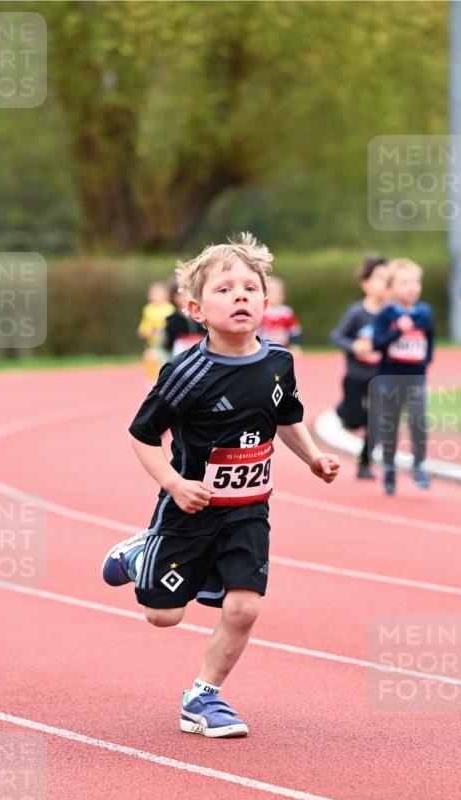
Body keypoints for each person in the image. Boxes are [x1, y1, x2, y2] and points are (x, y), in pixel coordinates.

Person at [101, 233, 340, 738]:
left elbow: (286, 417)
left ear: (266, 303)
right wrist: (173, 483)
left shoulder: (278, 362)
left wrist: (313, 457)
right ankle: (141, 554)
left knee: (244, 606)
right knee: (163, 616)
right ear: (196, 310)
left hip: (249, 509)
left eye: (250, 288)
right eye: (225, 289)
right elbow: (142, 435)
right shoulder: (186, 373)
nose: (240, 297)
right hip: (189, 509)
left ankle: (203, 696)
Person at [372, 258, 435, 496]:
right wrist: (398, 330)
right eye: (405, 283)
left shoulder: (424, 312)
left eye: (416, 282)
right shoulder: (386, 314)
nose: (412, 287)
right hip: (390, 379)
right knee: (390, 426)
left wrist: (425, 362)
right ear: (391, 288)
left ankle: (419, 464)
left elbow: (430, 340)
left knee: (419, 421)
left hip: (416, 378)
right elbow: (377, 343)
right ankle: (389, 468)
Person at [329, 253, 388, 479]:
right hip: (356, 375)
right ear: (366, 283)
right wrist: (354, 346)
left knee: (378, 421)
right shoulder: (357, 312)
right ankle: (343, 411)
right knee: (352, 420)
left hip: (381, 377)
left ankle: (365, 463)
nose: (385, 283)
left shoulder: (392, 314)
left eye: (388, 279)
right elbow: (336, 336)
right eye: (379, 278)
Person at [138, 281, 175, 382]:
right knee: (149, 358)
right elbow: (143, 329)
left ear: (166, 296)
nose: (156, 297)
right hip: (153, 344)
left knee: (166, 367)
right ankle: (152, 382)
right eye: (153, 294)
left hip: (167, 345)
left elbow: (171, 328)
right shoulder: (148, 310)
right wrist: (146, 331)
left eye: (159, 294)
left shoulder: (170, 309)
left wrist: (161, 331)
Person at [259, 277, 303, 352]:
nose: (275, 294)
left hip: (283, 348)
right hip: (262, 348)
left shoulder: (286, 312)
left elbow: (295, 331)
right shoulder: (260, 311)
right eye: (271, 291)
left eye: (278, 292)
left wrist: (295, 345)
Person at [164, 281, 206, 357]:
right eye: (179, 295)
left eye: (186, 293)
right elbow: (168, 344)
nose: (183, 298)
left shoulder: (203, 317)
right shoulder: (171, 320)